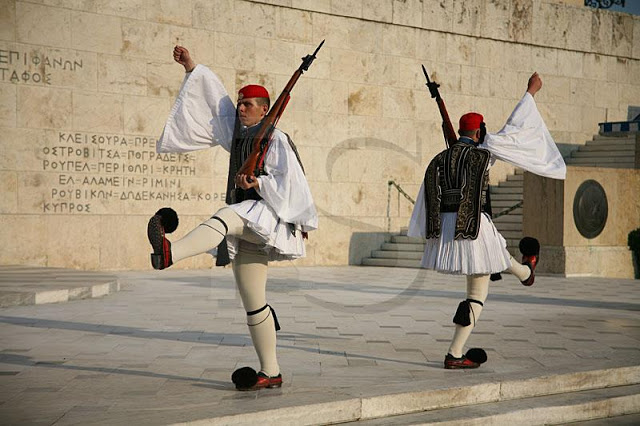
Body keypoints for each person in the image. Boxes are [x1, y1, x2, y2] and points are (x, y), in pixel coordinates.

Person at [148, 46, 318, 389]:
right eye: (240, 103)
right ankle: (271, 372)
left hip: (267, 217)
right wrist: (191, 67)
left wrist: (260, 182)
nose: (240, 108)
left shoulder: (277, 139)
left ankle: (171, 252)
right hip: (249, 228)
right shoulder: (239, 134)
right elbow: (215, 104)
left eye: (248, 104)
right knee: (254, 302)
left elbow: (293, 183)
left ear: (265, 110)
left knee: (225, 216)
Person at [408, 72, 566, 369]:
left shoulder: (438, 160)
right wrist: (530, 92)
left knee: (495, 256)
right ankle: (455, 353)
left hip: (448, 232)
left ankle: (525, 274)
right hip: (473, 229)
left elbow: (426, 200)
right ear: (479, 133)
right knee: (477, 294)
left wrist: (428, 234)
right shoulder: (484, 154)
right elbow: (514, 131)